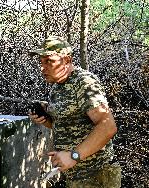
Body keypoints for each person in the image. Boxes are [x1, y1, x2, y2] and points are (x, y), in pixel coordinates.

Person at [28, 36, 121, 187]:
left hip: (96, 175)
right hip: (75, 175)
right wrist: (45, 120)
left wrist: (73, 155)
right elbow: (66, 125)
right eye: (41, 62)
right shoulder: (57, 87)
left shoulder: (84, 82)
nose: (42, 68)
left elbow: (108, 127)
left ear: (67, 60)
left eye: (49, 61)